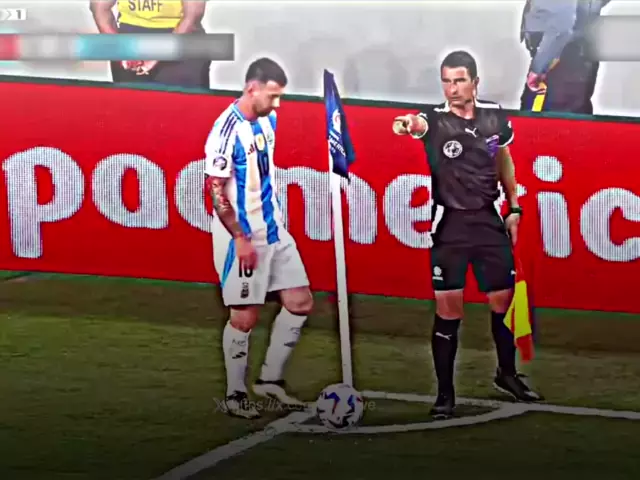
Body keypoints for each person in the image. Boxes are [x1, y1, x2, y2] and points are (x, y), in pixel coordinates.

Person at [393, 50, 543, 419]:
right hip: (450, 226)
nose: (452, 88)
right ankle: (445, 394)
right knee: (449, 310)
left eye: (459, 80)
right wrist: (405, 123)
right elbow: (413, 123)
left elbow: (503, 159)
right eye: (446, 81)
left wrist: (514, 206)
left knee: (503, 301)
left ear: (475, 82)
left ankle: (507, 374)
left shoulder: (494, 116)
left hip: (488, 221)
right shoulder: (434, 120)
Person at [203, 57, 314, 419]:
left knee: (299, 302)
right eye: (272, 95)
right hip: (243, 236)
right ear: (252, 88)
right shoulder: (225, 131)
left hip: (275, 230)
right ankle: (235, 394)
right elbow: (215, 190)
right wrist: (239, 237)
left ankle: (270, 380)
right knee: (244, 318)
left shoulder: (268, 120)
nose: (277, 103)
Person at [89, 0, 210, 89]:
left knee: (185, 110)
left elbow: (192, 18)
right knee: (134, 111)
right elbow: (99, 8)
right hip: (132, 40)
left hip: (180, 39)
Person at [519, 0, 612, 113]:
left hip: (557, 53)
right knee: (573, 114)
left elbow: (561, 26)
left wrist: (539, 67)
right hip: (576, 51)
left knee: (544, 116)